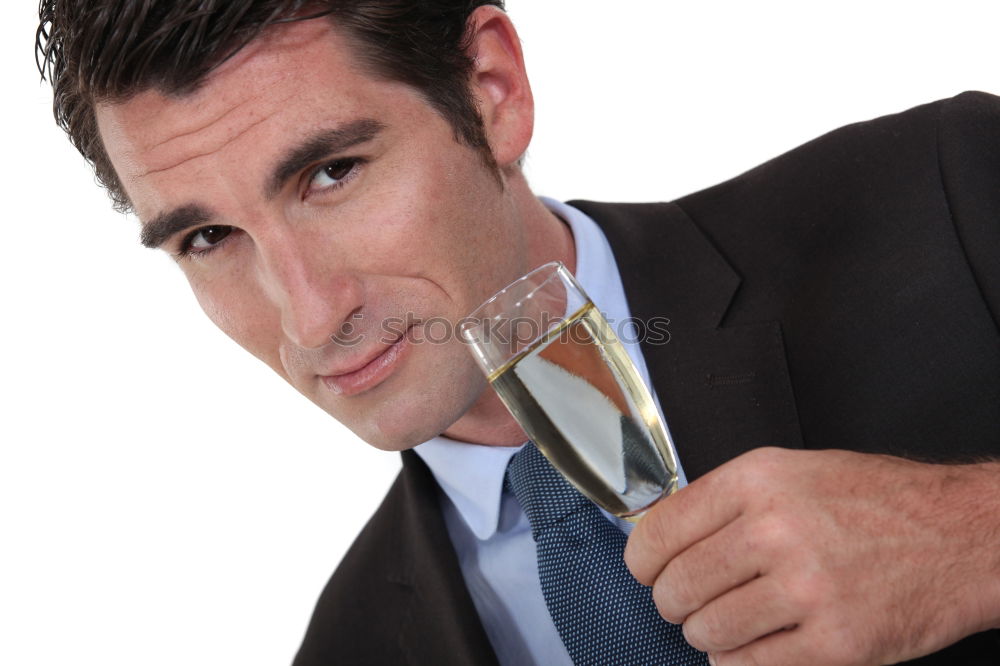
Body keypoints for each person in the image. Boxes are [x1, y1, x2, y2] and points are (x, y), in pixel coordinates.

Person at [36, 1, 1000, 664]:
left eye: (331, 174)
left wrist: (971, 542)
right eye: (209, 238)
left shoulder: (952, 195)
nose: (312, 314)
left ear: (492, 90)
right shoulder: (350, 647)